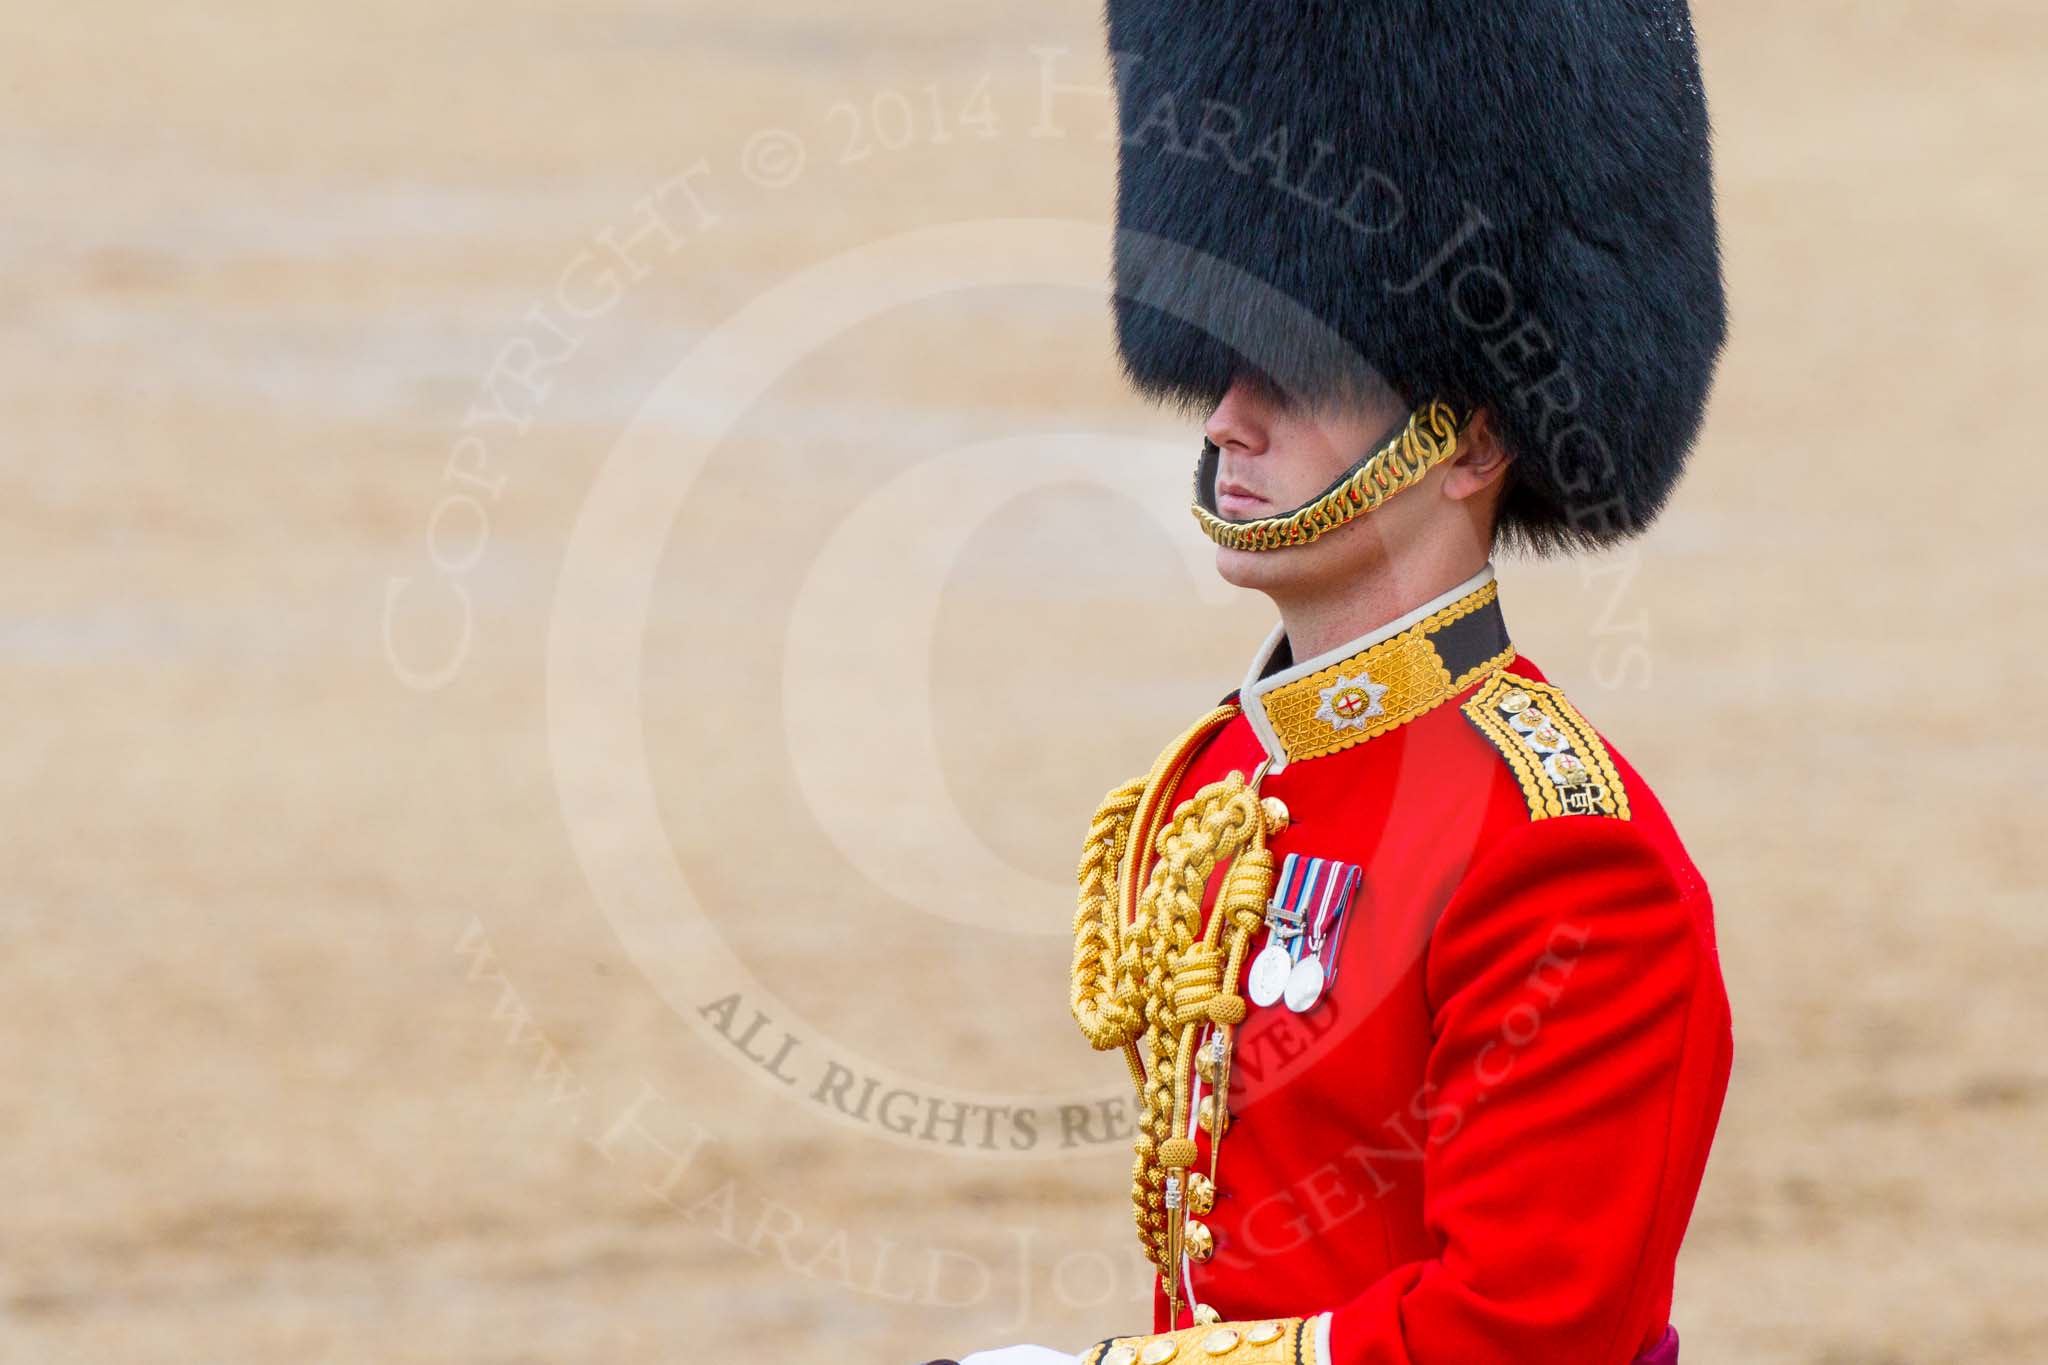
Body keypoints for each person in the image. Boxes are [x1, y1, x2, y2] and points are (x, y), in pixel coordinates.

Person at [939, 1, 1734, 1362]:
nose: (1228, 415)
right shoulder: (1229, 777)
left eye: (1299, 367)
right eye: (1226, 357)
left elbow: (1514, 1339)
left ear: (1471, 438)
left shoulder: (1564, 856)